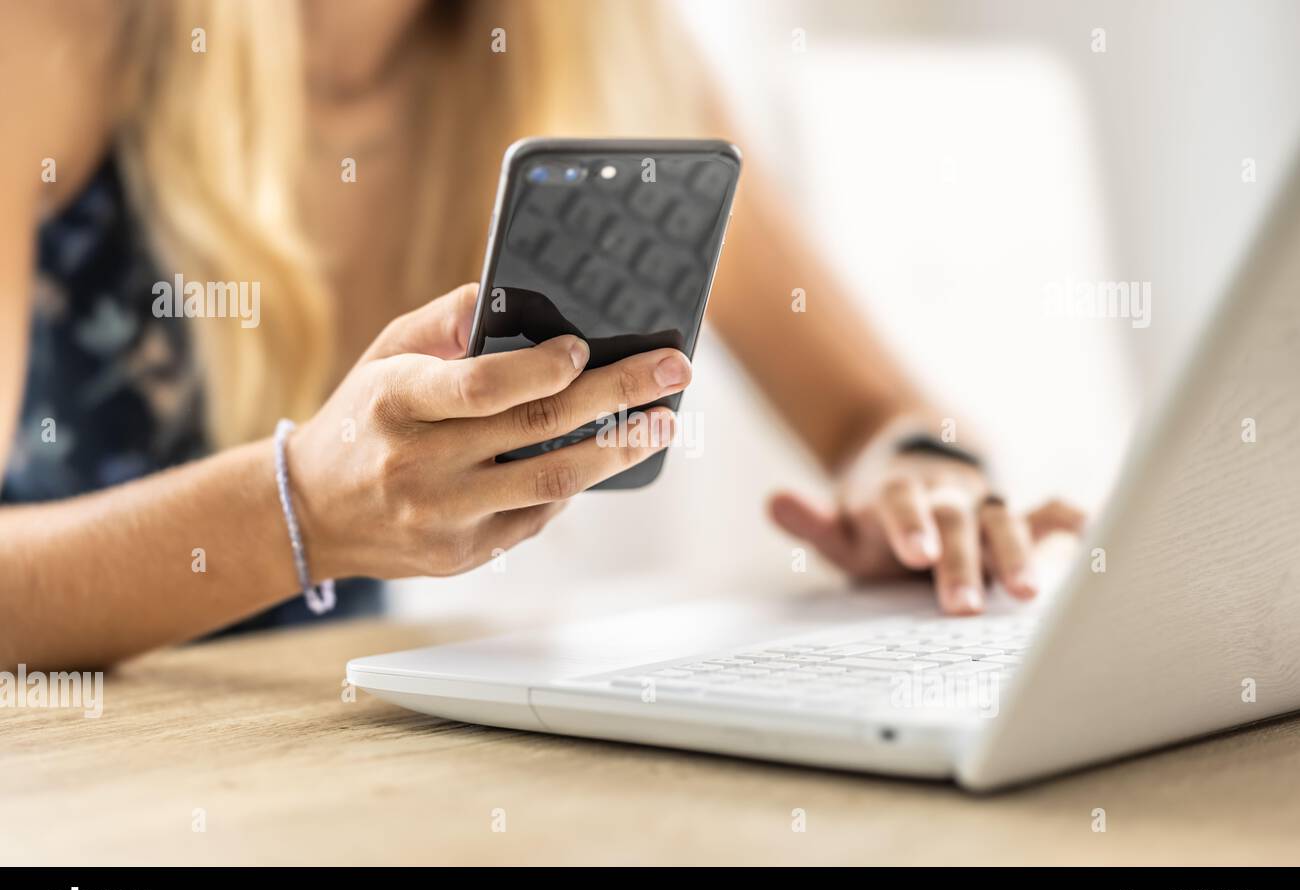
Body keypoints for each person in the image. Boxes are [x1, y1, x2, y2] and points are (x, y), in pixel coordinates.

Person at [0, 0, 1082, 671]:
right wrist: (301, 509)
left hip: (321, 752)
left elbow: (879, 417)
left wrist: (920, 484)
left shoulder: (598, 45)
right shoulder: (61, 32)